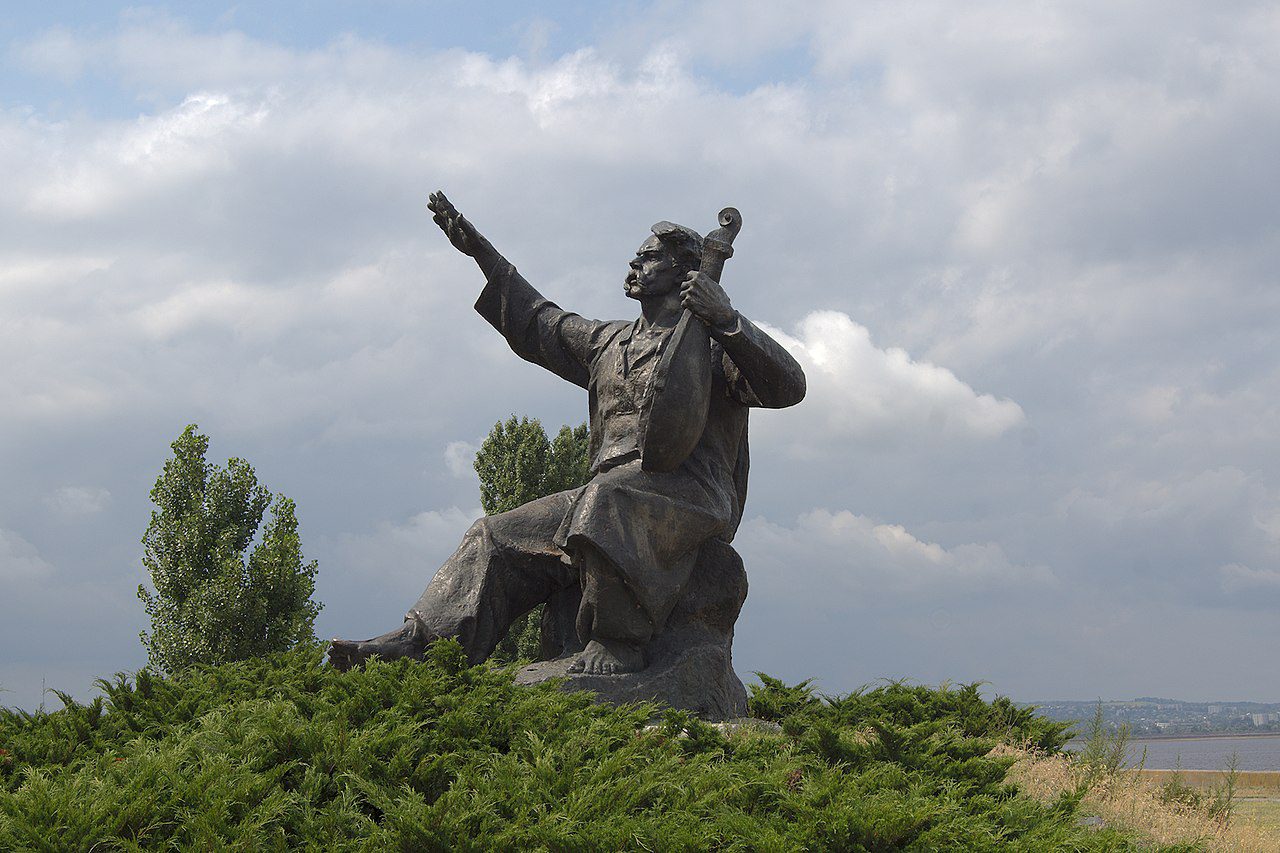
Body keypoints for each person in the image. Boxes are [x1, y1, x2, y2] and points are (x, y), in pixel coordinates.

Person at [328, 191, 805, 676]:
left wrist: (727, 321)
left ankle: (619, 641)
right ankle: (426, 648)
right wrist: (482, 255)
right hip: (606, 493)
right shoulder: (606, 341)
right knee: (494, 534)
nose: (633, 264)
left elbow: (789, 386)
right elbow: (539, 320)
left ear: (684, 271)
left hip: (690, 497)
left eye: (647, 257)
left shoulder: (709, 347)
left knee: (606, 500)